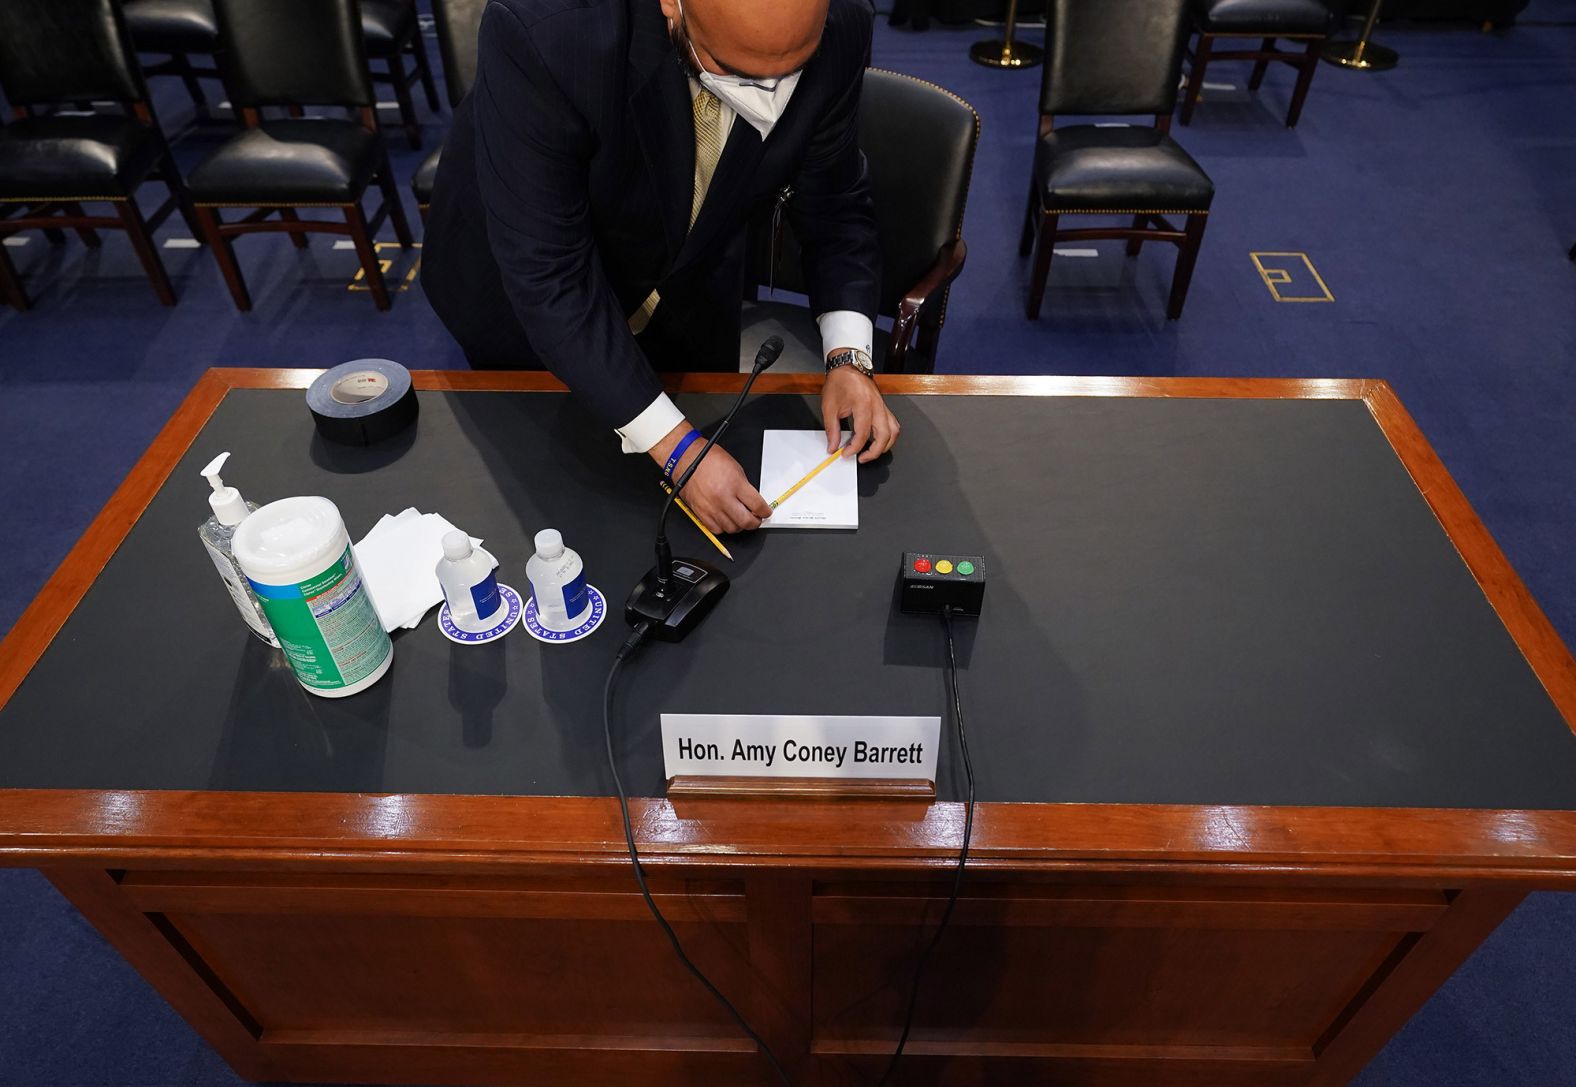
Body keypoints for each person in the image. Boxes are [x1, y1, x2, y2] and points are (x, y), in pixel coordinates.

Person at [422, 0, 900, 535]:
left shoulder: (843, 22)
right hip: (523, 295)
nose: (769, 95)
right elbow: (550, 275)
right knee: (552, 507)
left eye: (792, 68)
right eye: (738, 70)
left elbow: (834, 202)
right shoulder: (548, 31)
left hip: (687, 272)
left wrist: (849, 358)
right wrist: (676, 449)